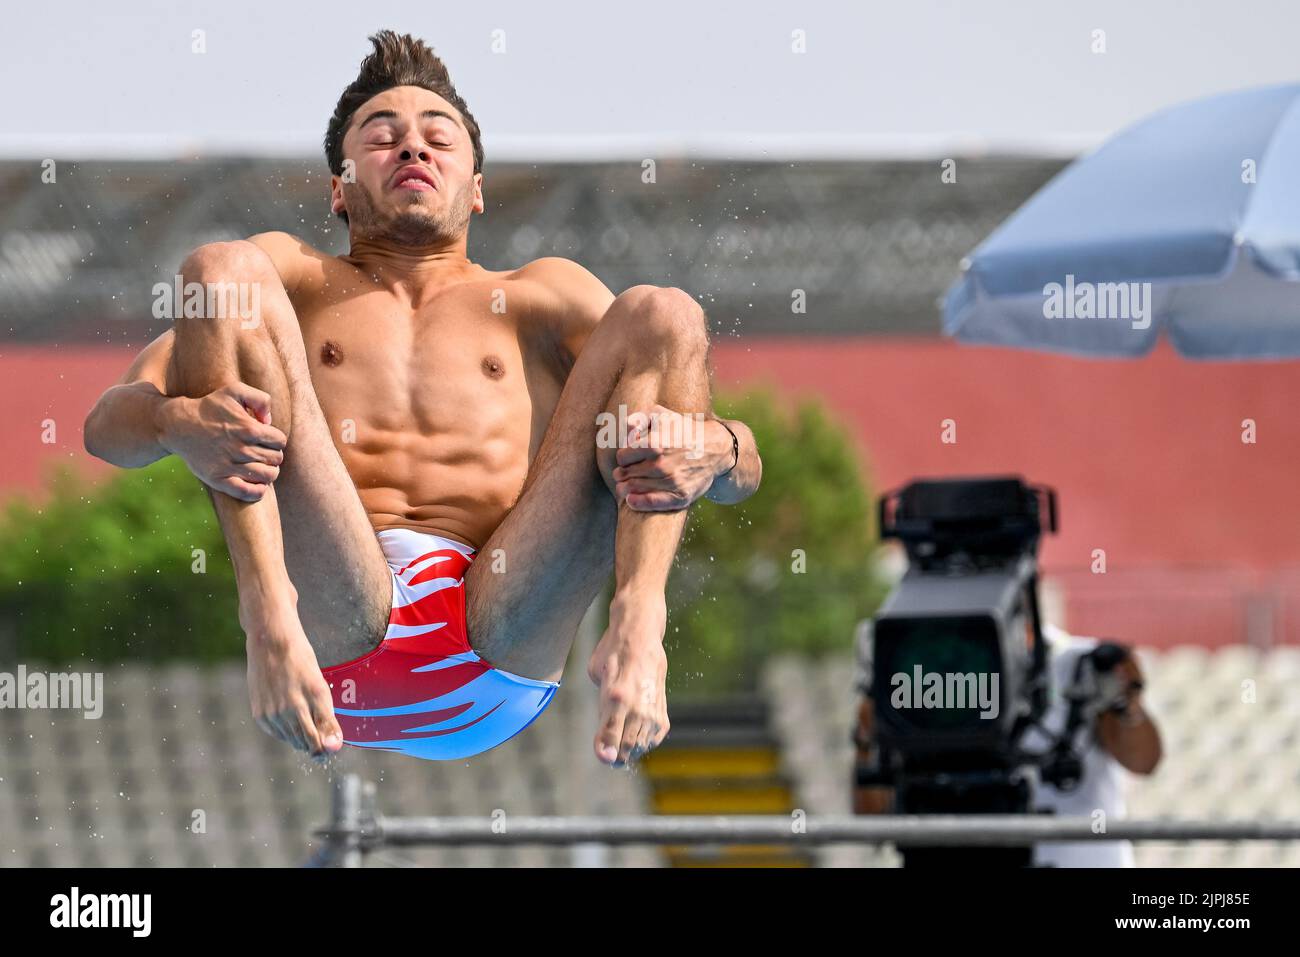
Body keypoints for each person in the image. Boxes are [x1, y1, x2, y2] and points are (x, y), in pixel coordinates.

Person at [83, 31, 762, 765]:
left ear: (475, 187)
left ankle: (639, 626)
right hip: (330, 625)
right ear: (338, 187)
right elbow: (103, 428)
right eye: (383, 137)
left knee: (664, 313)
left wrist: (717, 450)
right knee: (221, 265)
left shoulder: (540, 298)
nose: (413, 149)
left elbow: (741, 463)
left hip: (503, 630)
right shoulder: (294, 282)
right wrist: (174, 420)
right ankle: (266, 617)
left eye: (437, 137)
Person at [851, 621, 1162, 866]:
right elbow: (873, 822)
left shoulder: (1082, 665)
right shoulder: (920, 673)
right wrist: (868, 736)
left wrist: (1126, 705)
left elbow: (1144, 761)